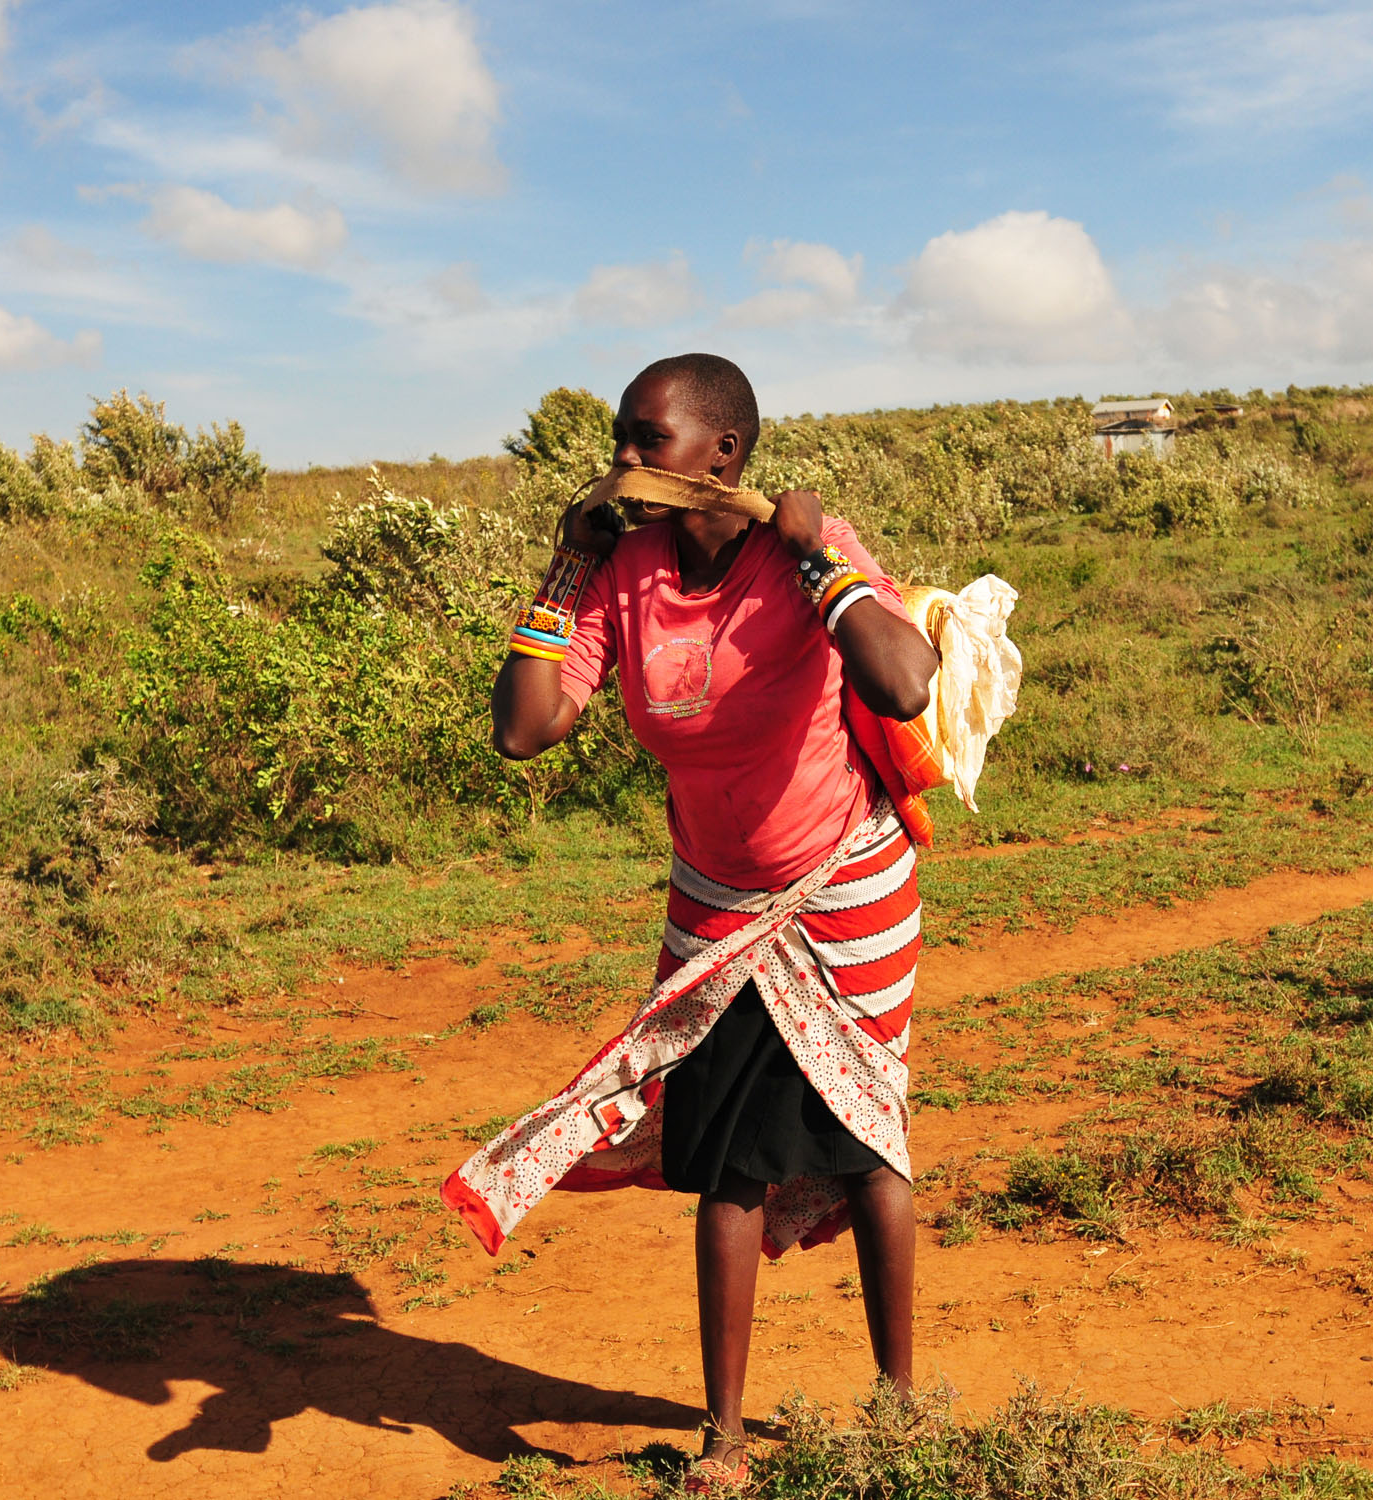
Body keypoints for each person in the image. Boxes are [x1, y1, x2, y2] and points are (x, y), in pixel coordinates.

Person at [442, 352, 940, 1491]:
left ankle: (903, 1408)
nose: (623, 460)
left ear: (723, 454)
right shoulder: (626, 573)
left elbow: (904, 685)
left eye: (645, 440)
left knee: (866, 1142)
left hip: (844, 891)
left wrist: (821, 557)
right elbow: (525, 729)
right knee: (722, 1159)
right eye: (620, 438)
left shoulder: (803, 548)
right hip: (714, 903)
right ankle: (722, 1441)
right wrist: (568, 564)